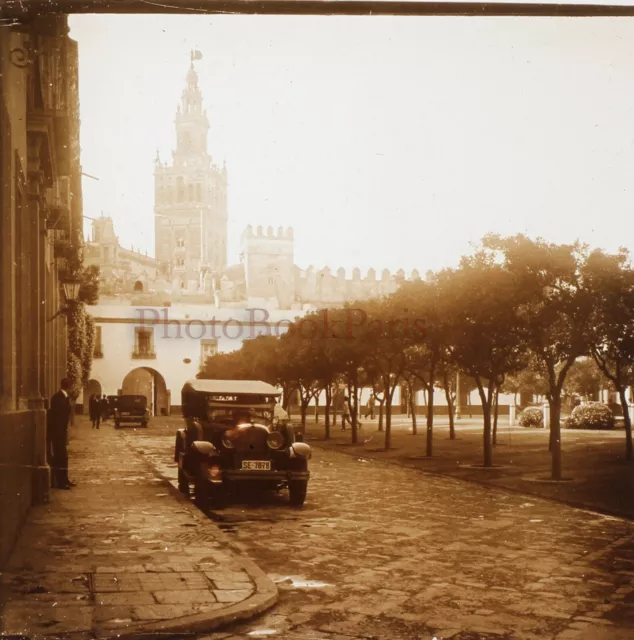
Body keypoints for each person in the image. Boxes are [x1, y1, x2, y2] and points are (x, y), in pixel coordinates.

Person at [47, 378, 75, 489]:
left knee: (64, 457)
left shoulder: (64, 397)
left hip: (61, 432)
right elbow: (57, 417)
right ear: (68, 387)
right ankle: (60, 482)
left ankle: (65, 479)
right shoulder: (58, 398)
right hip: (57, 433)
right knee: (60, 457)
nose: (73, 389)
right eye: (72, 386)